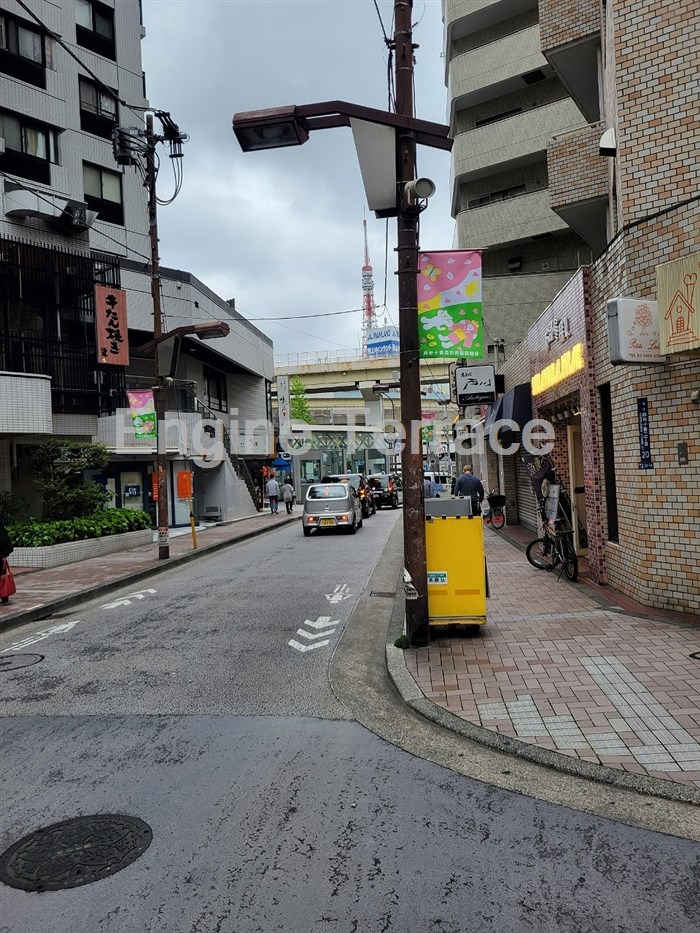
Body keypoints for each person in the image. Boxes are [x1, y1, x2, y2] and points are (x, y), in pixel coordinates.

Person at [0, 518, 15, 605]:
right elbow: (6, 542)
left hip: (1, 557)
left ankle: (4, 597)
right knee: (2, 577)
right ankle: (4, 597)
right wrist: (5, 554)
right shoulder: (2, 531)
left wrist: (4, 554)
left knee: (2, 577)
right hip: (2, 557)